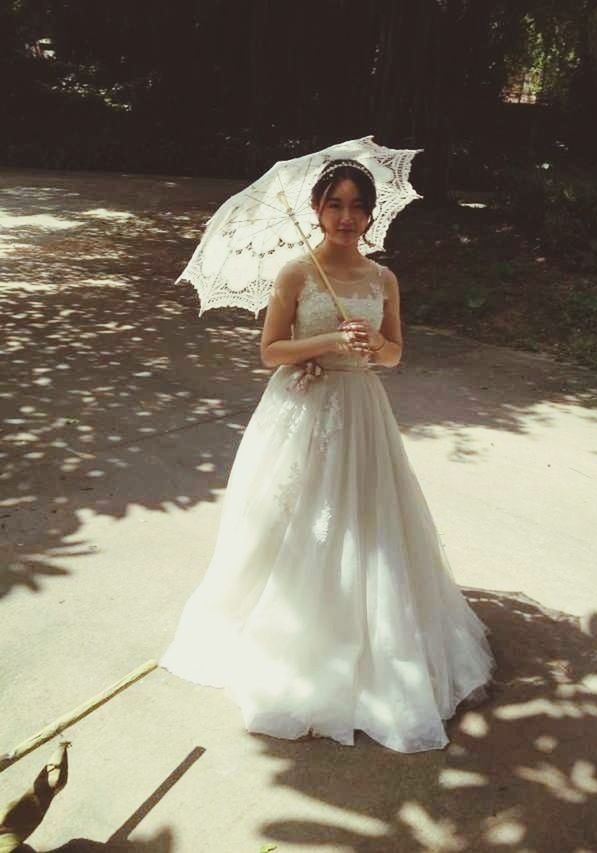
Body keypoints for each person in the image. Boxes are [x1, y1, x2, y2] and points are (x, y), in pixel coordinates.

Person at [160, 158, 495, 753]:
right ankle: (293, 637)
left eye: (357, 206)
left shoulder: (382, 280)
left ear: (372, 214)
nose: (347, 217)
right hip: (302, 409)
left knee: (369, 525)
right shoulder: (295, 273)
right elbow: (271, 350)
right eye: (335, 204)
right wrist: (327, 341)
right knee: (297, 527)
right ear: (317, 211)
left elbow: (394, 354)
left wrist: (373, 346)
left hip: (362, 410)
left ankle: (375, 639)